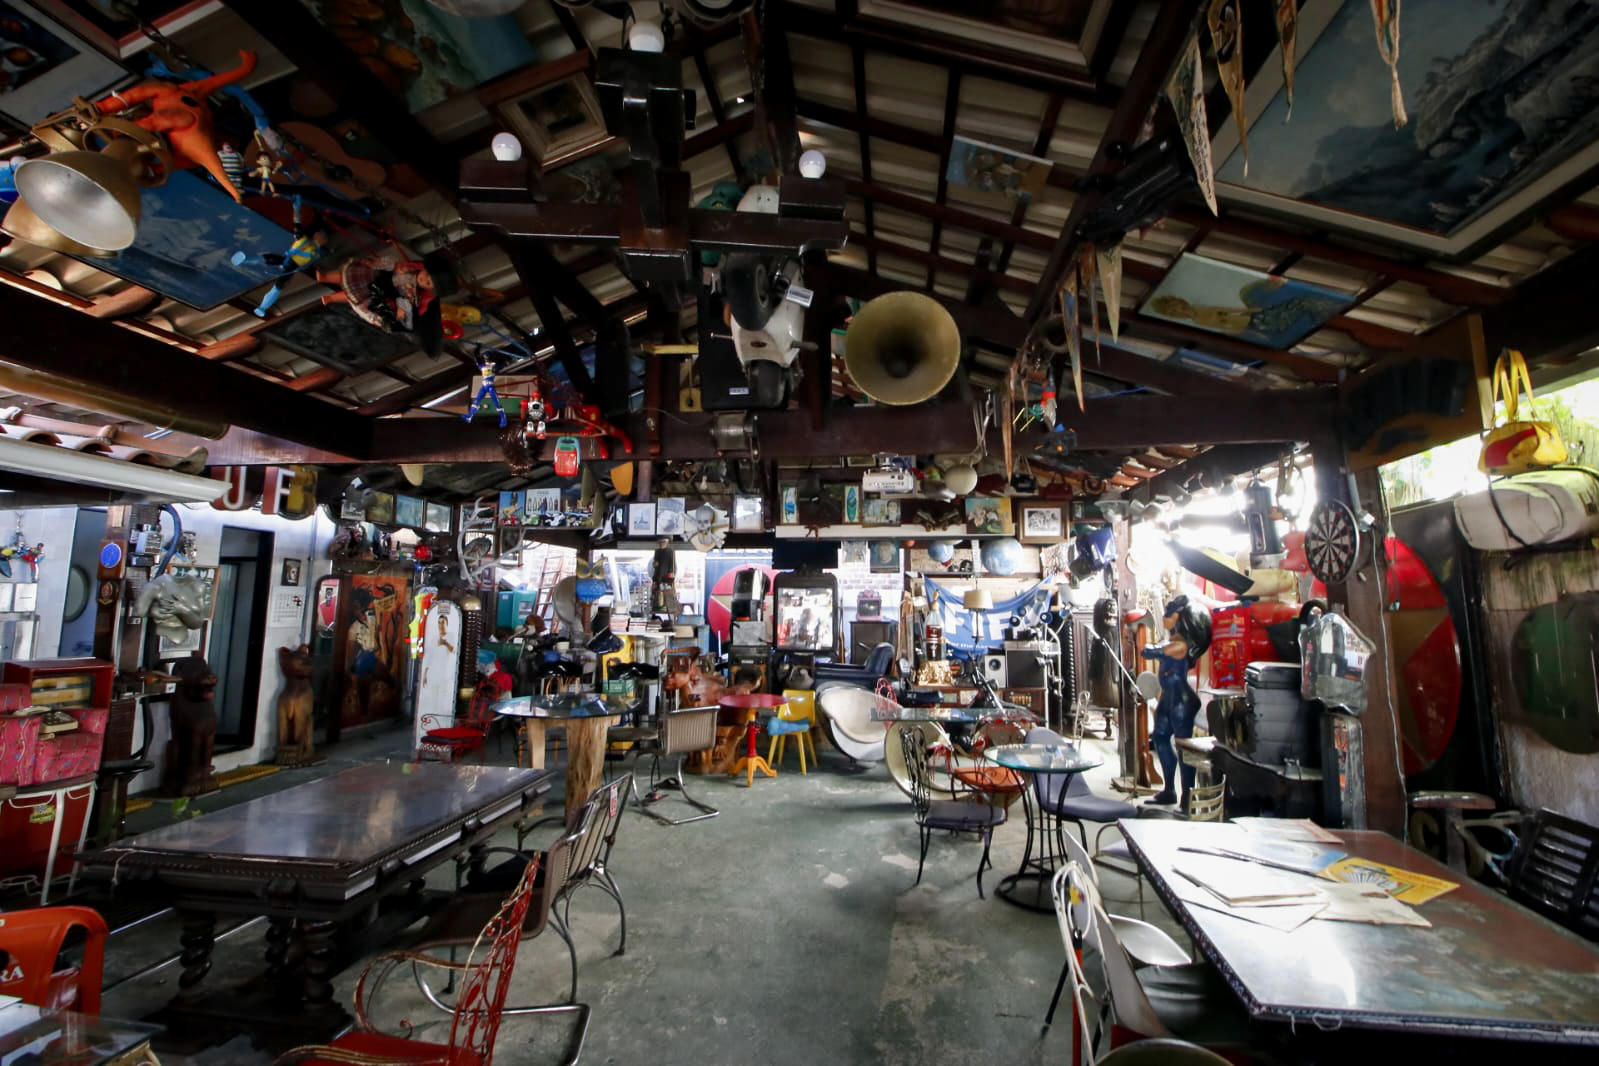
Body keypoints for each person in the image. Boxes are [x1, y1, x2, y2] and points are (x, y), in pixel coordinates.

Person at [1141, 594, 1212, 809]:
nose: (1164, 618)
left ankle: (1188, 797)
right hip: (1168, 698)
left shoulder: (1180, 646)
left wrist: (1144, 637)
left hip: (1181, 701)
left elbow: (1151, 652)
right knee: (1161, 738)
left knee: (1184, 747)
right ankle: (1169, 789)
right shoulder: (1174, 641)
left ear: (1178, 617)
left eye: (1168, 614)